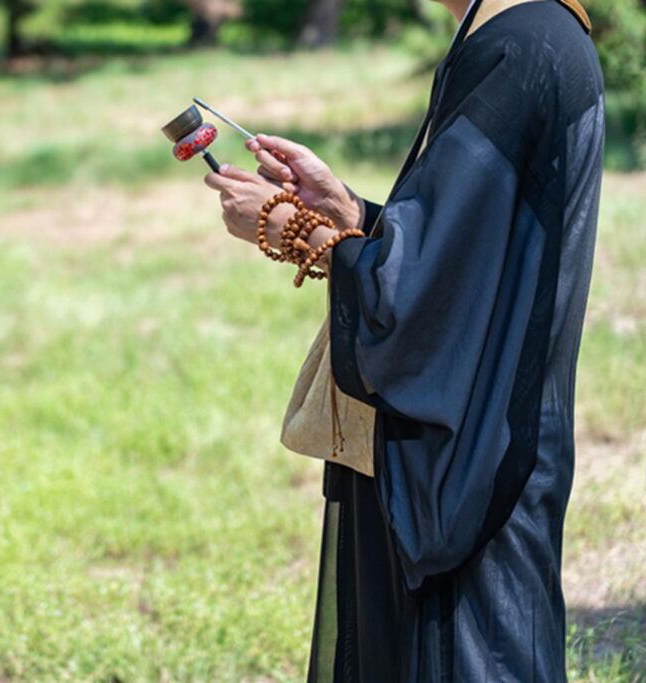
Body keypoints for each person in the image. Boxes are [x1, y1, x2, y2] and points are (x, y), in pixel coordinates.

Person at [203, 0, 604, 679]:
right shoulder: (532, 36)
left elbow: (426, 293)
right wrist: (350, 212)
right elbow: (472, 247)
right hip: (499, 427)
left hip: (472, 461)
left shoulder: (517, 49)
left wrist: (294, 231)